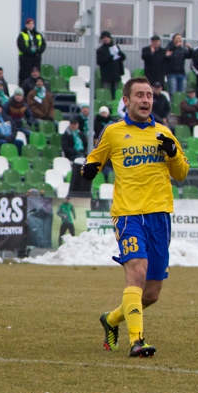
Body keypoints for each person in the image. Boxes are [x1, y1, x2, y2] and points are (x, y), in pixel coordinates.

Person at [80, 77, 191, 358]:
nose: (146, 100)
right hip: (129, 215)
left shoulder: (164, 133)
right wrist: (88, 170)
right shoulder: (114, 132)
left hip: (159, 215)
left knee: (151, 293)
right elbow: (93, 159)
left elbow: (181, 173)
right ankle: (137, 341)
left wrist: (174, 153)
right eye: (139, 95)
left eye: (149, 96)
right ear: (126, 101)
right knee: (137, 272)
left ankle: (112, 319)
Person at [17, 18, 46, 82]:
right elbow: (21, 46)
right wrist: (29, 52)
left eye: (32, 24)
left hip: (36, 58)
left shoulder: (38, 35)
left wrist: (38, 52)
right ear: (26, 25)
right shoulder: (22, 34)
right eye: (29, 24)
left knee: (36, 74)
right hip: (25, 59)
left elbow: (43, 45)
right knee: (25, 75)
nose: (30, 25)